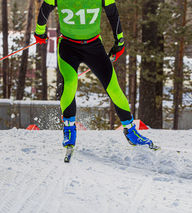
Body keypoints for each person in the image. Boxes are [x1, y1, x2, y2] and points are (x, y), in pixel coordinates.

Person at [34, 0, 158, 150]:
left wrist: (120, 41)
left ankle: (131, 131)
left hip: (94, 47)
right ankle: (69, 130)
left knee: (113, 88)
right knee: (70, 82)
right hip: (68, 47)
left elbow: (113, 13)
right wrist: (40, 31)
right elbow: (45, 8)